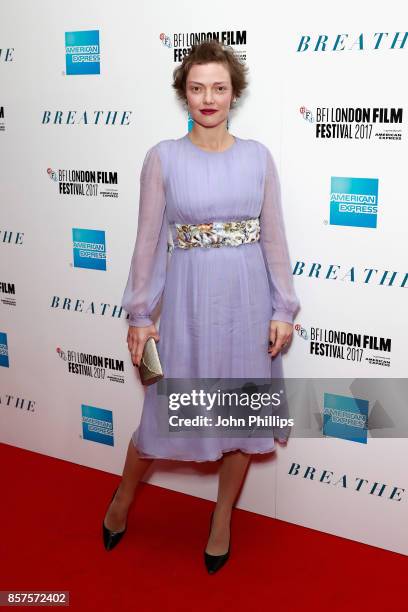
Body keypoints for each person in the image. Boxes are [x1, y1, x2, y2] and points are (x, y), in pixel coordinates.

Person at [102, 39, 300, 574]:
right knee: (163, 413)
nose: (208, 98)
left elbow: (275, 240)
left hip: (248, 304)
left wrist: (283, 308)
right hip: (187, 308)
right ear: (183, 95)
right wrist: (141, 316)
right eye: (197, 88)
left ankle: (221, 519)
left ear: (234, 94)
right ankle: (122, 497)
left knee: (239, 414)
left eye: (219, 87)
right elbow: (147, 242)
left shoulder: (258, 157)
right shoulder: (163, 157)